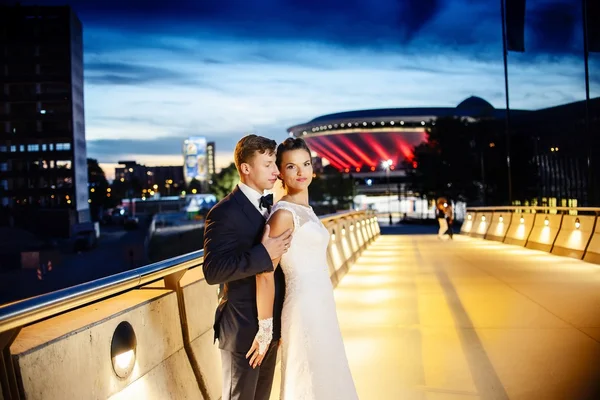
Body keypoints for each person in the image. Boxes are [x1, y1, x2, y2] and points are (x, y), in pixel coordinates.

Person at [247, 137, 359, 400]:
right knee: (307, 375)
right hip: (303, 307)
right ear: (281, 173)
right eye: (291, 167)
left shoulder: (306, 209)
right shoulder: (284, 214)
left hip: (322, 303)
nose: (301, 172)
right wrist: (266, 330)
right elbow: (265, 273)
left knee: (328, 372)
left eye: (306, 164)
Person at [203, 134, 293, 400]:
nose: (276, 171)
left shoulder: (272, 207)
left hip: (271, 326)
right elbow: (213, 271)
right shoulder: (224, 212)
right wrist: (263, 254)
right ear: (246, 168)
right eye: (268, 164)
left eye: (275, 163)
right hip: (241, 330)